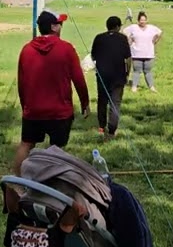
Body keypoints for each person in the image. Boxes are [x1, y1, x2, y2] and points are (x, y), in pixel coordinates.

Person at [14, 10, 89, 172]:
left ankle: (17, 184)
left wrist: (25, 106)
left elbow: (21, 82)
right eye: (60, 24)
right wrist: (85, 102)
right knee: (57, 149)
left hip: (33, 110)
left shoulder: (26, 50)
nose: (61, 27)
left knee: (26, 144)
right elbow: (78, 79)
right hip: (60, 112)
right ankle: (51, 182)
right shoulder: (67, 49)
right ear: (54, 27)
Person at [90, 16, 132, 137]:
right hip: (118, 76)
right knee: (115, 103)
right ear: (118, 27)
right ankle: (112, 129)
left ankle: (101, 127)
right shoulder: (123, 38)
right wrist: (127, 73)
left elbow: (93, 56)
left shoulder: (99, 38)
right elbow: (128, 59)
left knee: (102, 101)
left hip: (102, 75)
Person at [124, 12, 162, 93]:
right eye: (141, 20)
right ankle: (134, 87)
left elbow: (159, 33)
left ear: (146, 20)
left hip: (149, 54)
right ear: (138, 20)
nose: (143, 22)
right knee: (136, 71)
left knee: (148, 71)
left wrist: (155, 40)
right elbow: (124, 32)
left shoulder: (151, 28)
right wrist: (129, 40)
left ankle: (151, 87)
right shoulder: (133, 27)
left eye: (144, 20)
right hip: (136, 54)